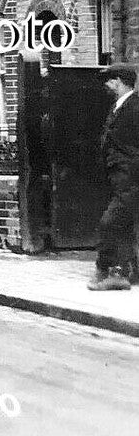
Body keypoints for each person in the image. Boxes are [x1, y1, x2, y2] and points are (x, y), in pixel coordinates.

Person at [88, 64, 139, 291]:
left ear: (118, 81)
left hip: (131, 177)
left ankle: (113, 273)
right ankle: (124, 272)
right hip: (119, 176)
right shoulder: (119, 106)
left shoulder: (135, 106)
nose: (106, 86)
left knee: (111, 222)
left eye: (108, 81)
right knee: (124, 224)